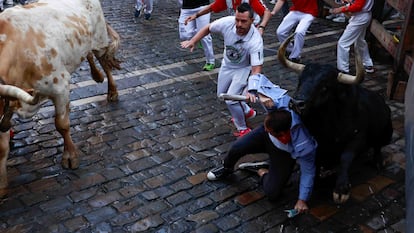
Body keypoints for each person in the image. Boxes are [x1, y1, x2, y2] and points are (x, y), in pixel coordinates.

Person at [207, 73, 318, 214]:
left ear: (283, 135)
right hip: (266, 136)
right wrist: (258, 93)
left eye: (269, 130)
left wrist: (302, 200)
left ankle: (262, 170)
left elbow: (308, 172)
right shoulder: (280, 102)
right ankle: (227, 168)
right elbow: (256, 77)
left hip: (283, 153)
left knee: (273, 193)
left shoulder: (304, 145)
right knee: (237, 147)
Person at [181, 3, 263, 137]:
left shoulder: (255, 40)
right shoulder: (228, 23)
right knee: (222, 95)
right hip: (227, 65)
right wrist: (194, 41)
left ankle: (243, 128)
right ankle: (247, 111)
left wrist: (252, 89)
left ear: (252, 21)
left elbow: (256, 68)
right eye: (237, 19)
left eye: (243, 21)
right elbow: (207, 28)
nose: (239, 24)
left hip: (243, 69)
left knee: (231, 99)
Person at [330, 0, 375, 73]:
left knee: (343, 43)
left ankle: (343, 69)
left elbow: (357, 6)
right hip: (363, 15)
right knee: (360, 40)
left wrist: (341, 9)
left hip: (360, 17)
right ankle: (368, 64)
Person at [184, 0, 272, 36]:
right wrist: (196, 15)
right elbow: (212, 7)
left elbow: (266, 13)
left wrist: (261, 27)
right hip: (236, 28)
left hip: (252, 29)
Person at [178, 0, 216, 71]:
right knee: (184, 35)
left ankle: (210, 61)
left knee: (205, 36)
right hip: (186, 8)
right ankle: (198, 37)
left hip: (202, 6)